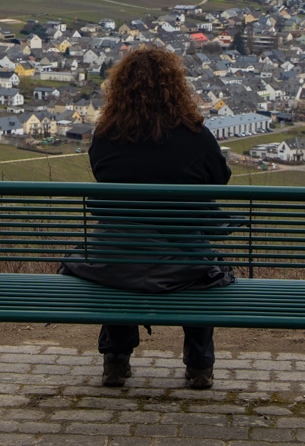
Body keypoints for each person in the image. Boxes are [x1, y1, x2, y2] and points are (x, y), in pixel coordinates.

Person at [59, 46, 233, 390]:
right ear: (175, 86)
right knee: (204, 273)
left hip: (115, 259)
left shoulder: (107, 135)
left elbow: (101, 174)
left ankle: (115, 359)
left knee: (117, 257)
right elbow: (220, 178)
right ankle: (200, 365)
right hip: (182, 263)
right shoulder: (194, 135)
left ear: (121, 88)